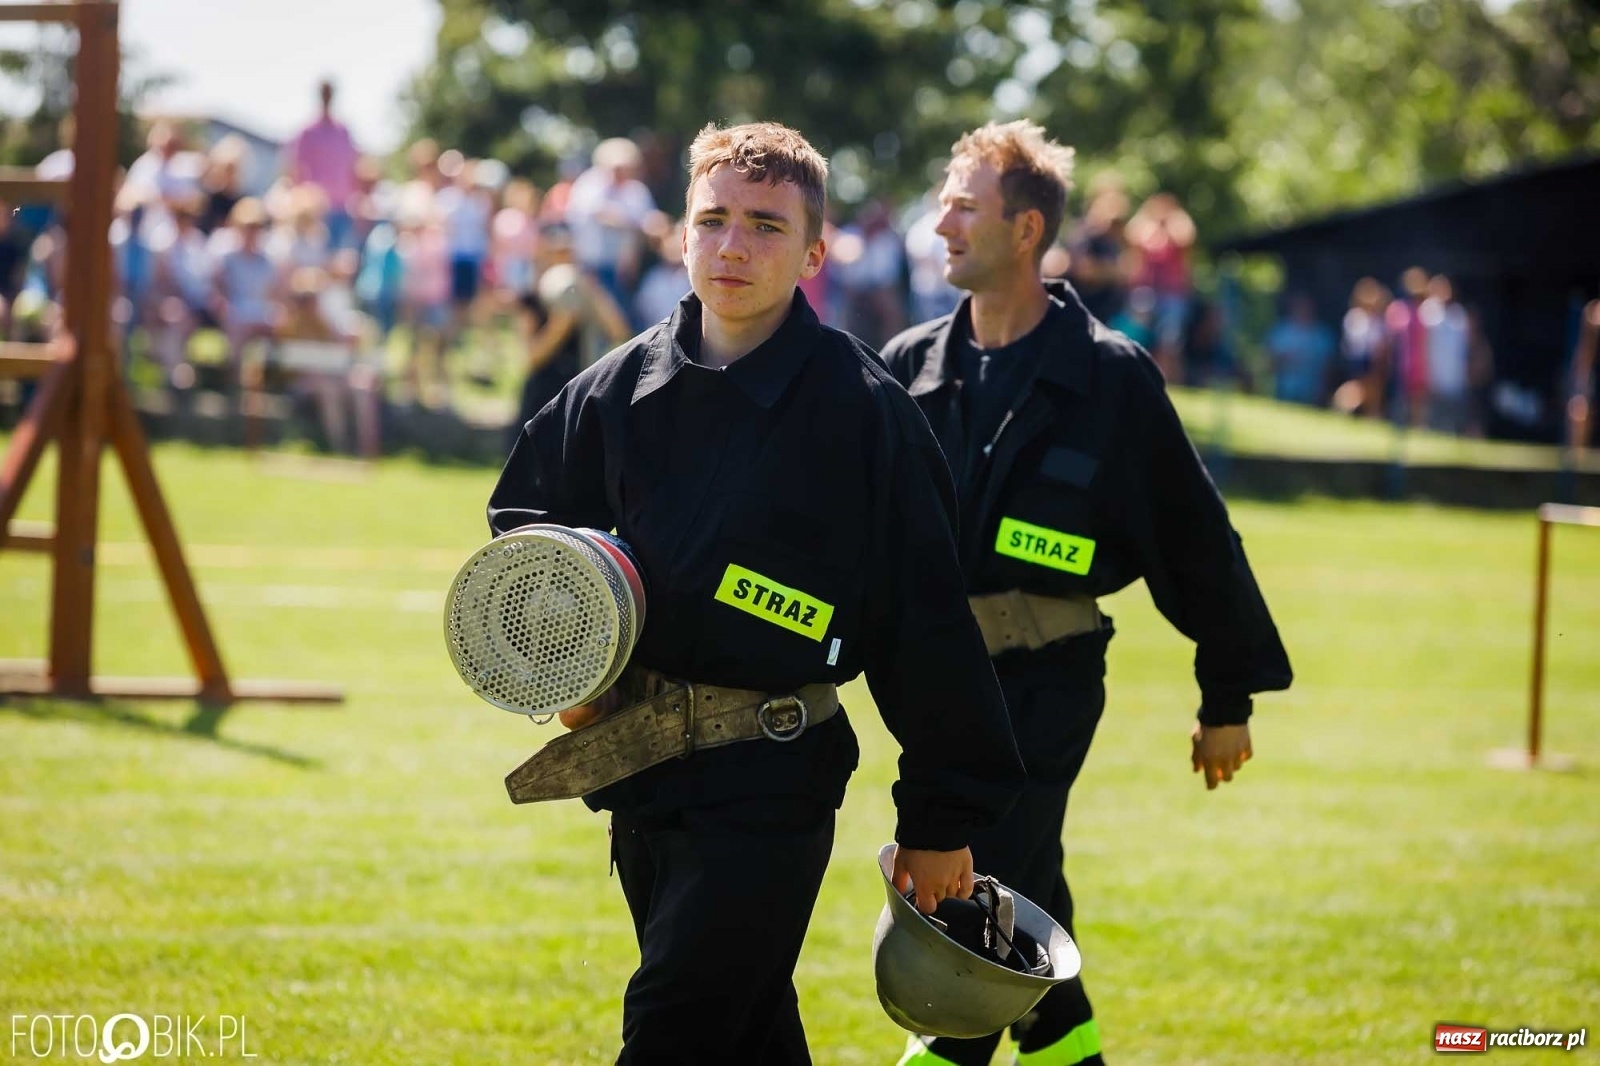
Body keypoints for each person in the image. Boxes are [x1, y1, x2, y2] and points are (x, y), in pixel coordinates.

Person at [487, 121, 1024, 1065]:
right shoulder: (614, 390)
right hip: (640, 775)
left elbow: (925, 625)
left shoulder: (864, 416)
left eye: (767, 227)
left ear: (815, 250)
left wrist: (943, 819)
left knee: (674, 1027)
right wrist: (568, 671)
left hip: (772, 782)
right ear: (681, 236)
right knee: (747, 1036)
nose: (733, 247)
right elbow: (525, 527)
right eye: (713, 221)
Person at [879, 120, 1293, 1066]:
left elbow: (1196, 541)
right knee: (1030, 905)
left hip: (1048, 678)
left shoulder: (1109, 376)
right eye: (943, 203)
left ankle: (941, 1053)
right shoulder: (907, 368)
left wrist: (1226, 696)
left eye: (964, 207)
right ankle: (1075, 1053)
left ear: (1026, 230)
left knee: (974, 905)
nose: (940, 223)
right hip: (938, 688)